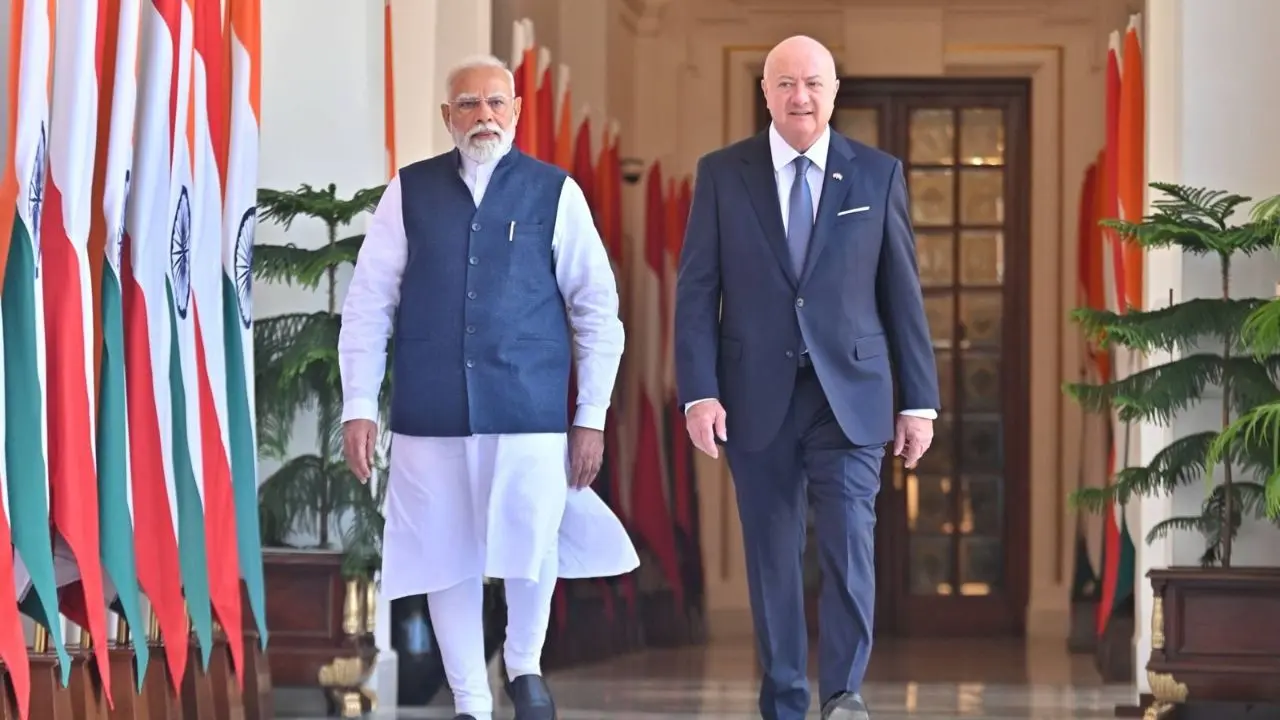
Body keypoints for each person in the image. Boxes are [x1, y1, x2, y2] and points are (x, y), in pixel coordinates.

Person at [338, 54, 639, 720]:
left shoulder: (554, 191)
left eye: (497, 103)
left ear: (517, 112)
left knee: (531, 539)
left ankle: (525, 665)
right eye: (469, 105)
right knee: (445, 554)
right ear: (448, 118)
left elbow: (596, 305)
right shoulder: (409, 191)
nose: (484, 117)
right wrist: (358, 404)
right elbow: (368, 302)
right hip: (430, 410)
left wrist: (590, 414)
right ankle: (471, 699)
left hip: (528, 409)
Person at [674, 35, 940, 720]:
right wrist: (699, 392)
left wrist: (921, 404)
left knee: (850, 543)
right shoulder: (722, 174)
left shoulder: (877, 175)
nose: (800, 97)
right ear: (766, 94)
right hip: (753, 398)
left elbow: (901, 294)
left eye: (813, 83)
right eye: (786, 84)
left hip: (850, 397)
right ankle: (786, 696)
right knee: (771, 556)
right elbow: (697, 290)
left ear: (833, 92)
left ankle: (844, 694)